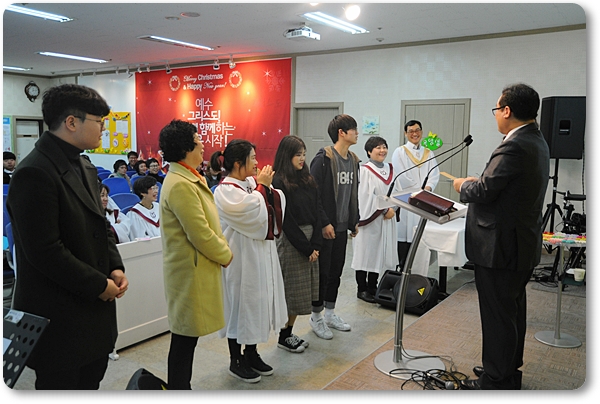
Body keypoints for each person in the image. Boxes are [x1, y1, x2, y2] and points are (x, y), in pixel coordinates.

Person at [6, 83, 128, 389]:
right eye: (98, 121)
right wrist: (98, 285)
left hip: (93, 314)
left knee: (90, 382)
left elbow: (100, 224)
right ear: (71, 122)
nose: (103, 129)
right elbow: (45, 251)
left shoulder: (85, 164)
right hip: (59, 316)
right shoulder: (34, 172)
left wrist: (115, 266)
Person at [452, 84, 550, 390]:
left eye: (497, 109)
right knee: (511, 313)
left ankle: (495, 382)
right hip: (520, 244)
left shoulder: (515, 145)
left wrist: (463, 185)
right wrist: (481, 182)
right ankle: (505, 371)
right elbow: (505, 187)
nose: (495, 115)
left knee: (497, 316)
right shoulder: (536, 139)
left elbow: (484, 191)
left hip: (501, 247)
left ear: (507, 111)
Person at [158, 119, 233, 389]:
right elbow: (199, 233)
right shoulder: (180, 183)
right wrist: (226, 254)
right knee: (184, 338)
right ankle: (179, 389)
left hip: (195, 270)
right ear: (186, 147)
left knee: (186, 338)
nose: (203, 144)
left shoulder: (188, 177)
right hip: (188, 273)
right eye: (198, 140)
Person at [213, 139, 288, 383]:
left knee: (256, 304)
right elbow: (252, 215)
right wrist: (263, 188)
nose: (257, 163)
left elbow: (272, 203)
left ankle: (252, 353)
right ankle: (235, 360)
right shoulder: (226, 190)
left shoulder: (251, 184)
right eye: (252, 158)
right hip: (239, 258)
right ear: (238, 163)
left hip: (260, 254)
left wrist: (266, 189)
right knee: (239, 307)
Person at [309, 114, 360, 339]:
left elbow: (352, 194)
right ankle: (316, 317)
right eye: (353, 129)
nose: (357, 133)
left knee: (336, 272)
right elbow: (314, 195)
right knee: (322, 273)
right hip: (325, 228)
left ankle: (330, 313)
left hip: (341, 228)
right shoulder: (323, 159)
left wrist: (353, 220)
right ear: (341, 132)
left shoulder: (354, 160)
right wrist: (324, 222)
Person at [272, 136, 322, 353]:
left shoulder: (306, 178)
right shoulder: (278, 181)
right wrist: (307, 248)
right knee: (291, 292)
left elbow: (317, 208)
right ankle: (283, 336)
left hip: (310, 239)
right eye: (297, 154)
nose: (302, 158)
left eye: (304, 154)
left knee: (302, 293)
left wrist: (316, 243)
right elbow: (286, 220)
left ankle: (289, 332)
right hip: (293, 240)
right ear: (287, 155)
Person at [351, 136, 399, 303]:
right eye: (378, 147)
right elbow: (364, 196)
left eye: (384, 147)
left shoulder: (390, 169)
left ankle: (373, 286)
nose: (382, 150)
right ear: (369, 152)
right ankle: (362, 289)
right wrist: (384, 209)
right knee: (365, 253)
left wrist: (393, 208)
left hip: (387, 219)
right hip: (370, 219)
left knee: (379, 253)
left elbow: (397, 192)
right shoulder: (365, 170)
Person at [391, 120, 439, 274]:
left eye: (417, 130)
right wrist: (418, 191)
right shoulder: (400, 152)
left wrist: (428, 188)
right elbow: (401, 175)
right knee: (405, 236)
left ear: (422, 132)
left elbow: (434, 173)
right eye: (411, 131)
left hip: (424, 200)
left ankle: (417, 272)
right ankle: (402, 270)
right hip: (408, 200)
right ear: (406, 134)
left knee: (421, 237)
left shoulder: (428, 153)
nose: (414, 134)